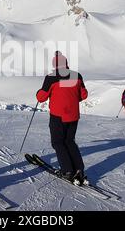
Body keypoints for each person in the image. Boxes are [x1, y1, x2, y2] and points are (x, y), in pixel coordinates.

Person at [36, 51, 89, 185]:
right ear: (66, 63)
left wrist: (38, 92)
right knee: (70, 141)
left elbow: (41, 97)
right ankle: (79, 170)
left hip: (58, 116)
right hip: (73, 116)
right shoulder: (77, 76)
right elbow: (83, 95)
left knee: (58, 143)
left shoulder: (51, 78)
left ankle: (67, 170)